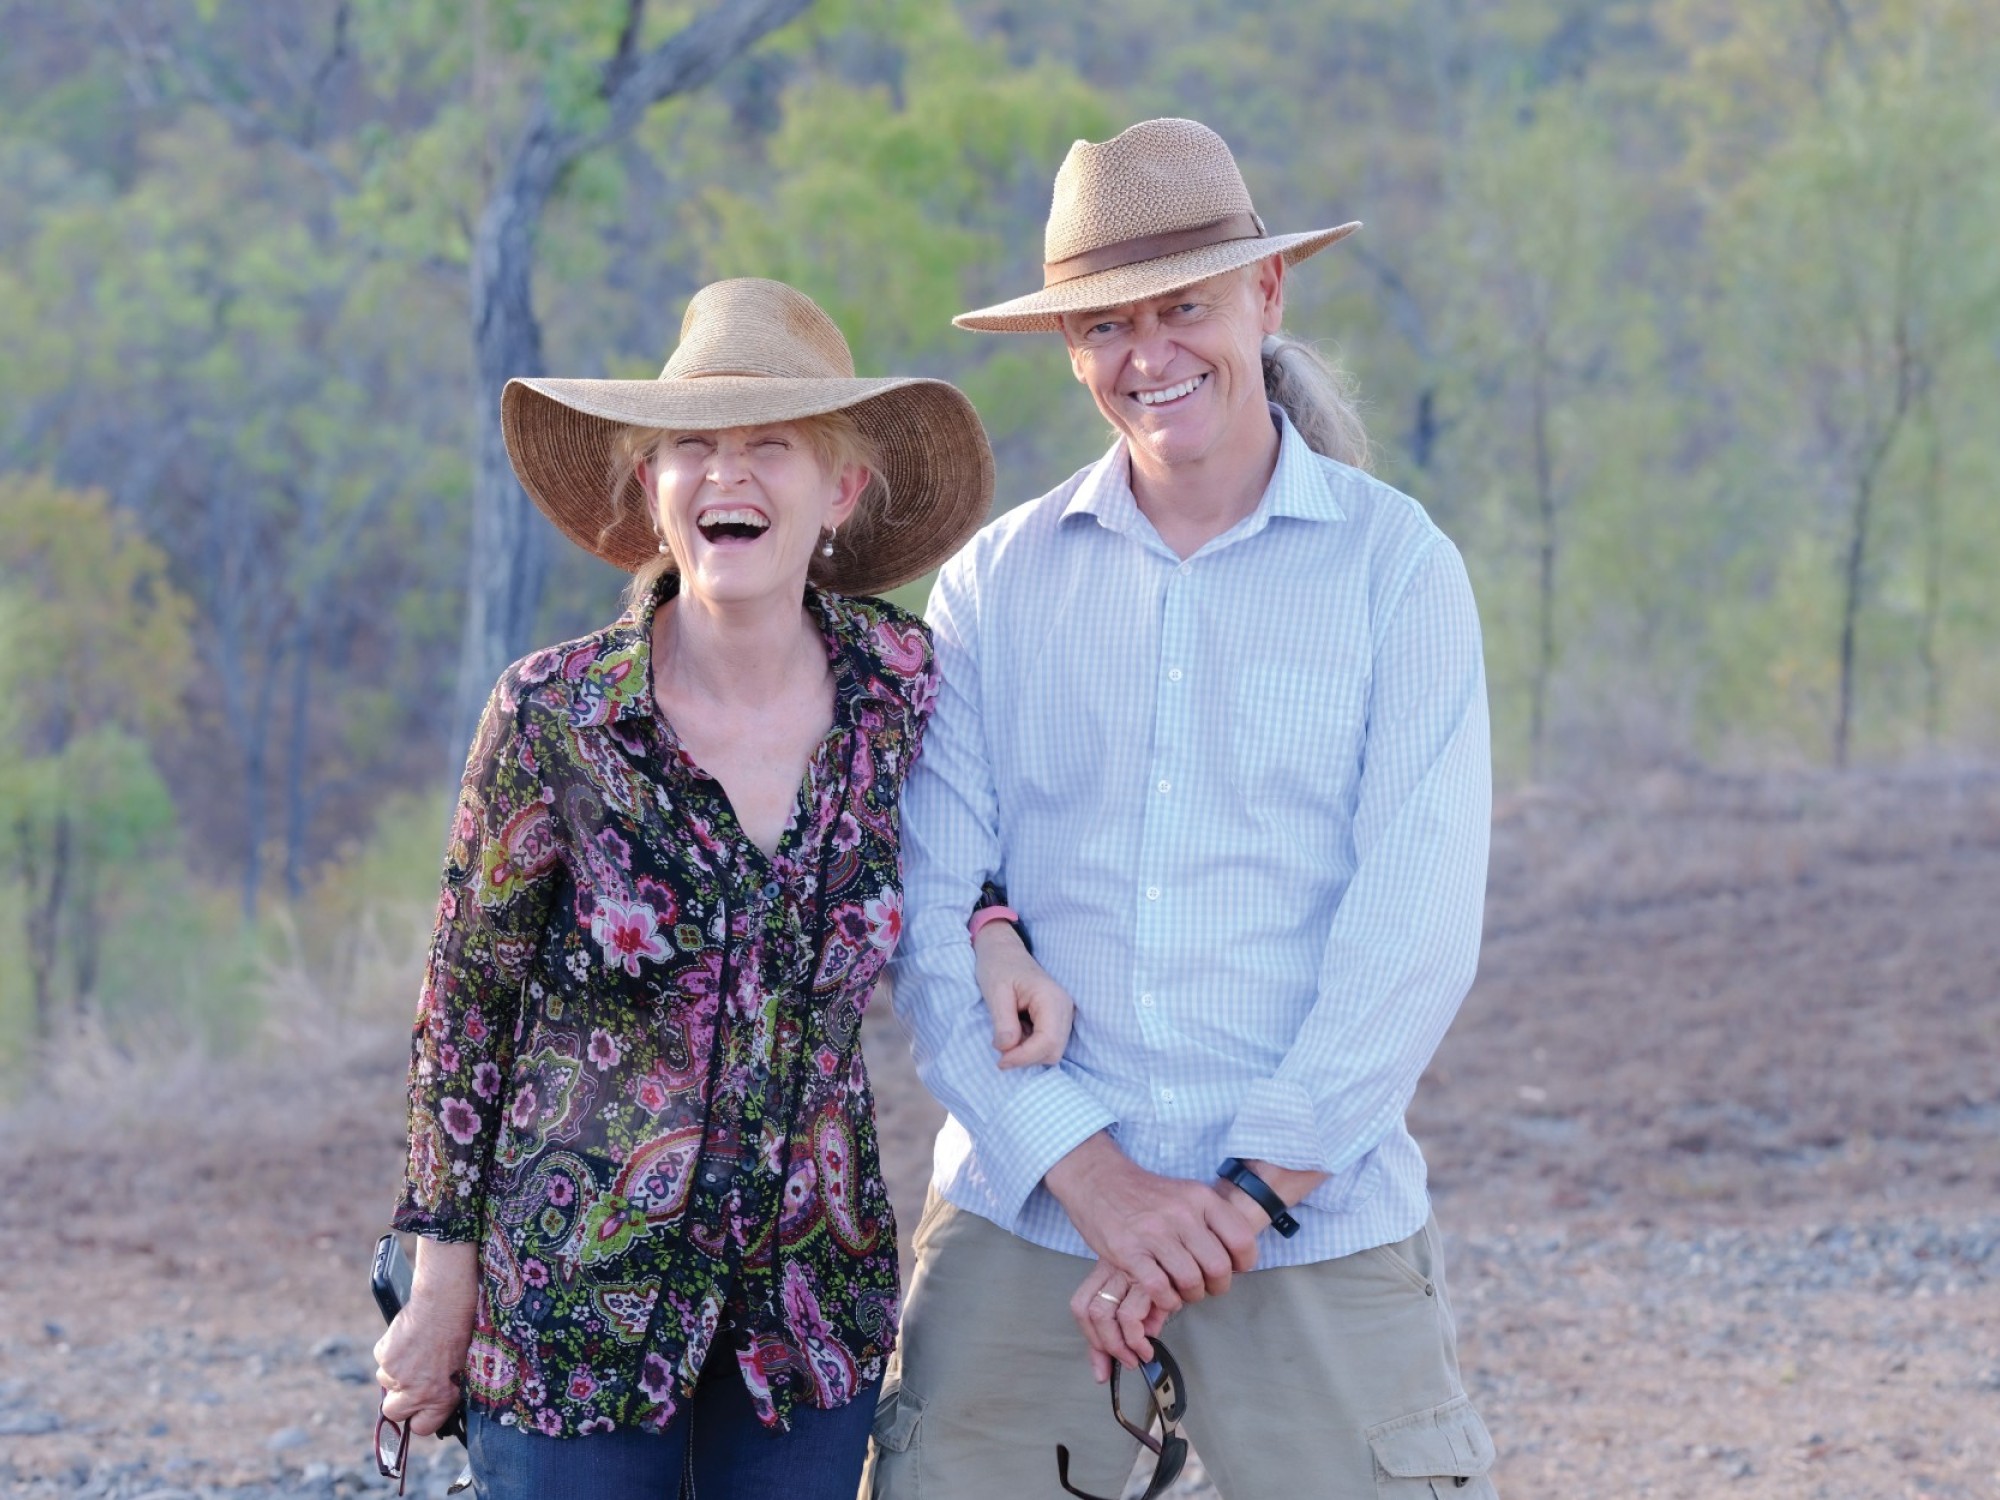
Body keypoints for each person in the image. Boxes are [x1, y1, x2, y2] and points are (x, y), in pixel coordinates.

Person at [870, 119, 1500, 1499]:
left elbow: (1415, 925)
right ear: (1070, 350)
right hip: (1031, 1211)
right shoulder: (994, 588)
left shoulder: (1397, 572)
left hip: (1311, 1215)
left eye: (1184, 309)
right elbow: (929, 915)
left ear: (1267, 297)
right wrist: (1097, 1183)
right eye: (1105, 326)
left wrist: (1245, 1198)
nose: (1147, 356)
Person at [373, 277, 1040, 1499]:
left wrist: (992, 929)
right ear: (650, 487)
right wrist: (438, 1288)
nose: (725, 475)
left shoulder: (904, 686)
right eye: (692, 446)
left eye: (768, 446)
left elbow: (970, 845)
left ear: (839, 491)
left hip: (807, 1310)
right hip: (574, 1304)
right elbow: (465, 1016)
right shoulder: (556, 713)